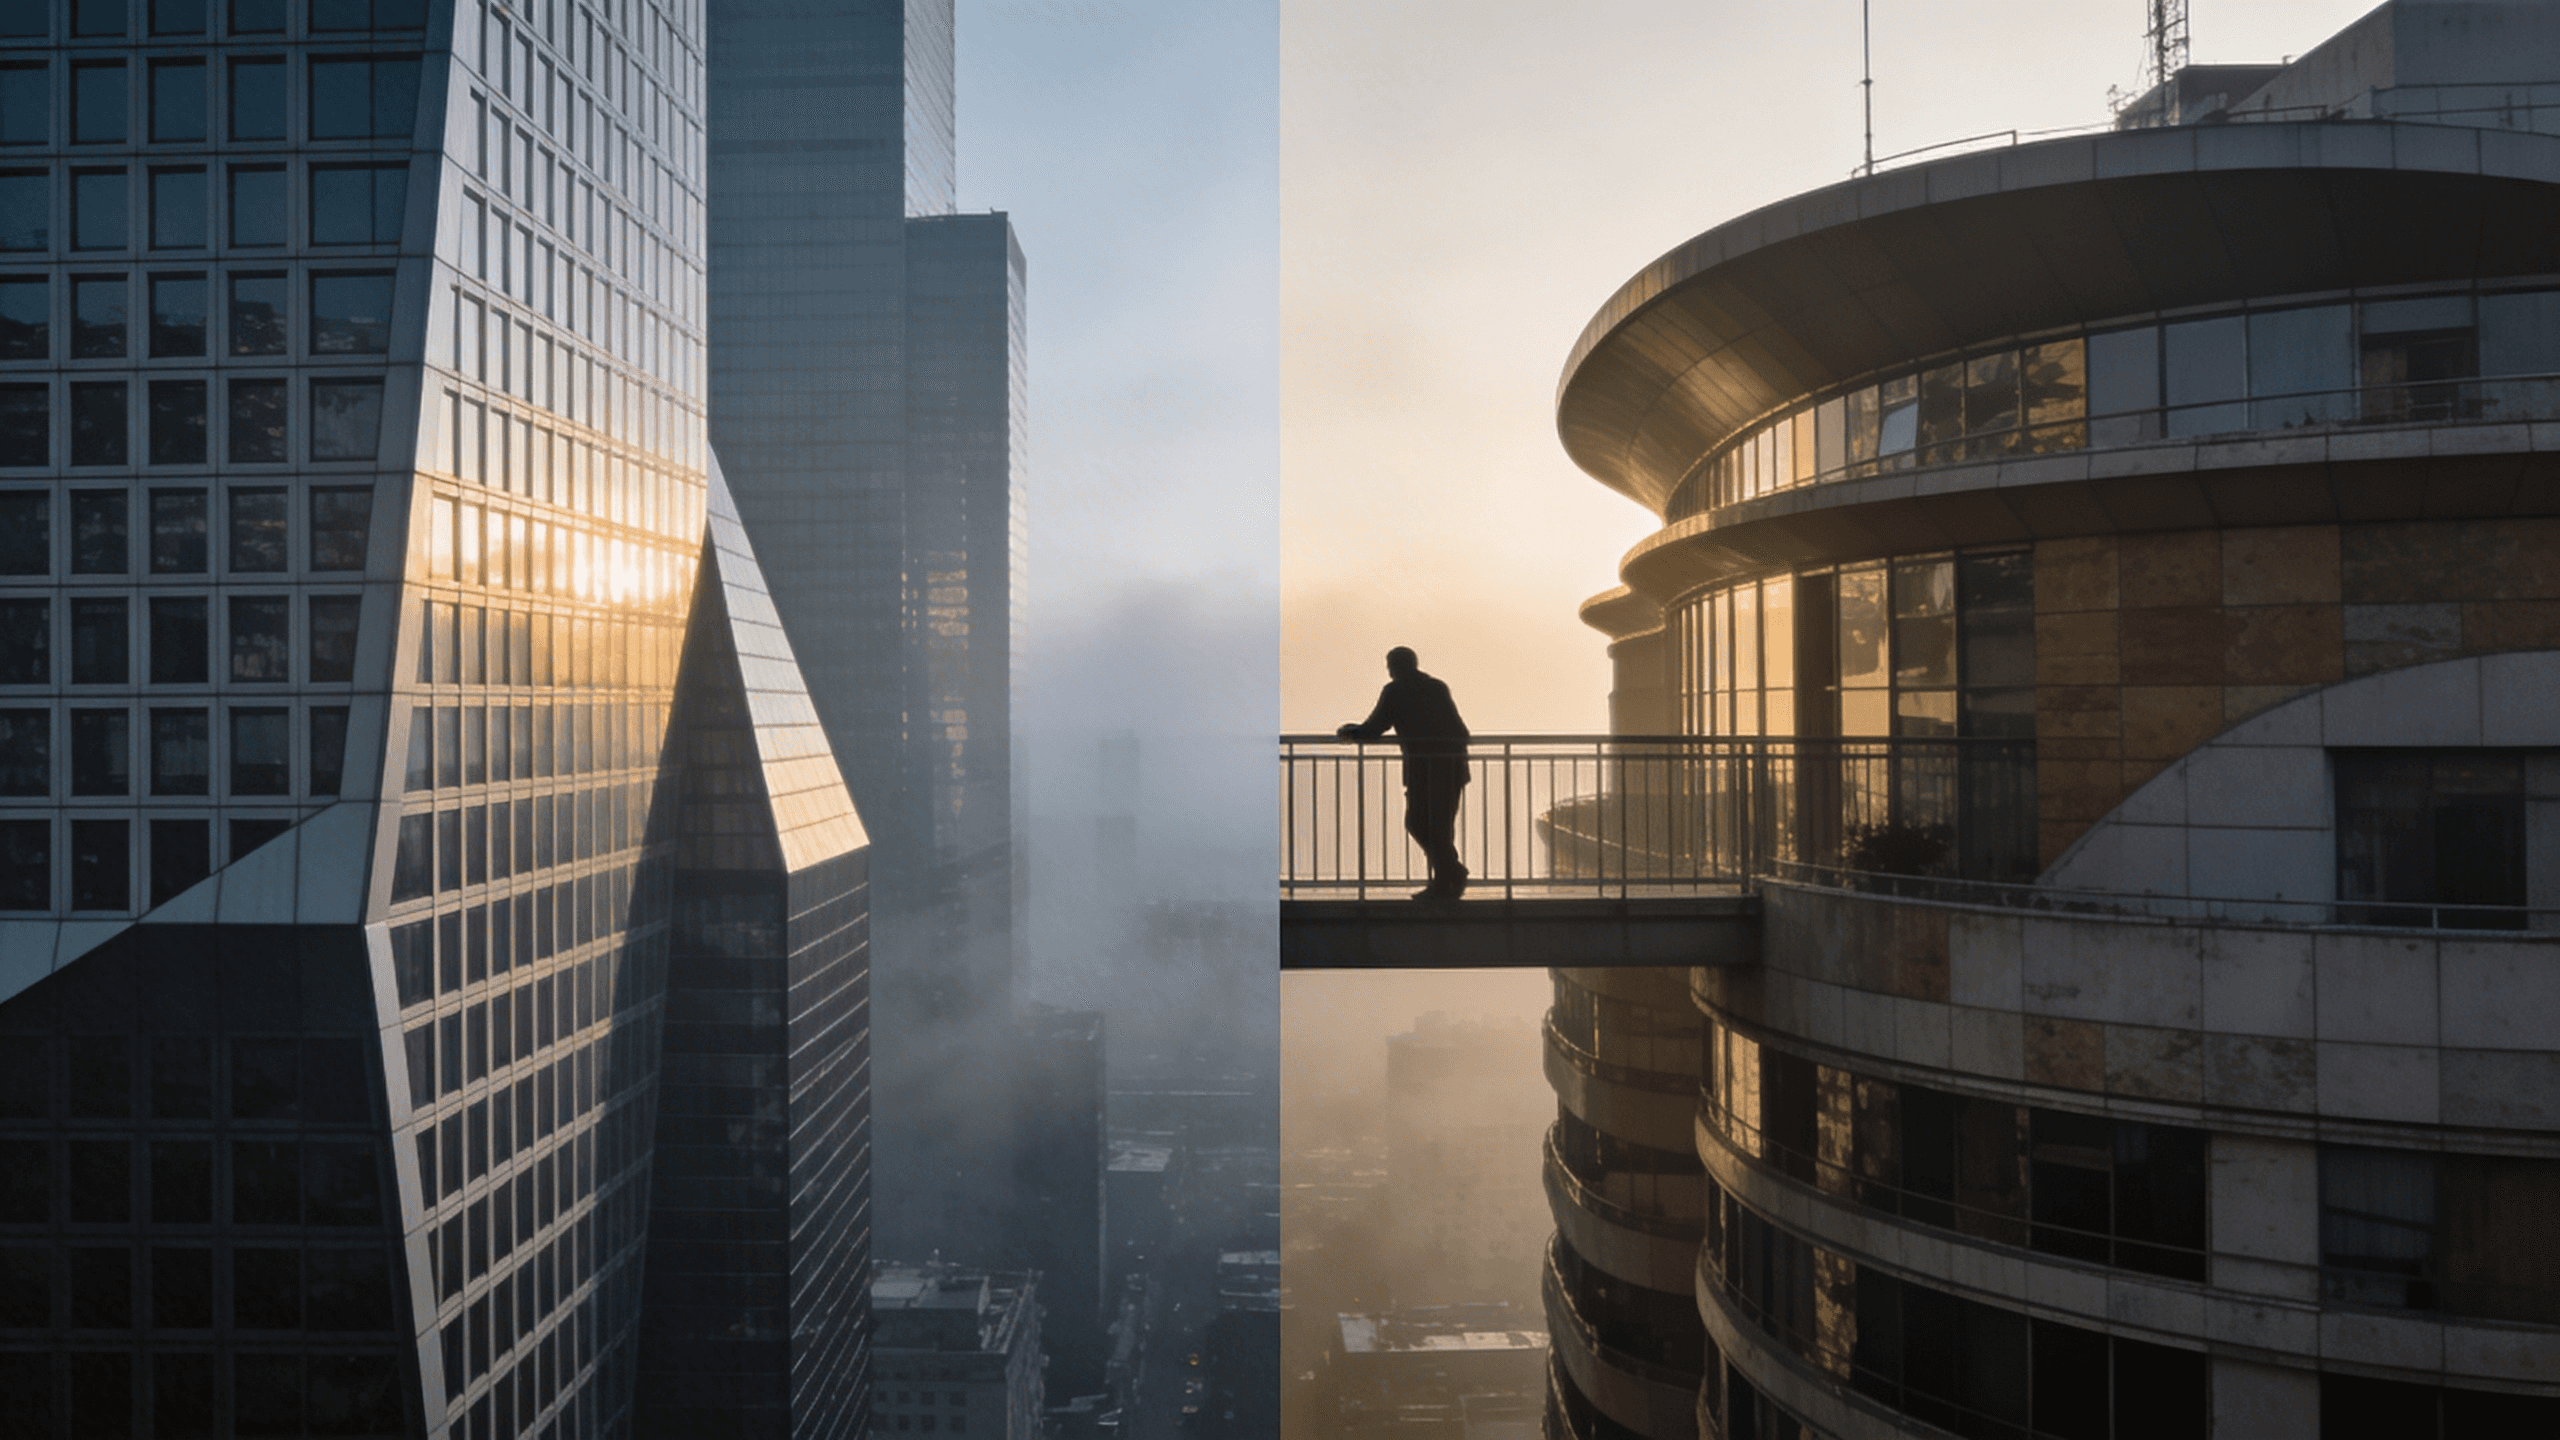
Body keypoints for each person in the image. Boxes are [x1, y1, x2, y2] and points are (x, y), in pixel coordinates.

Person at [1337, 647, 1471, 898]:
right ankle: (1447, 877)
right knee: (1440, 826)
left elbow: (1375, 727)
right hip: (1452, 767)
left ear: (1395, 667)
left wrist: (1351, 733)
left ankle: (1450, 875)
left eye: (1390, 666)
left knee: (1419, 823)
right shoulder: (1436, 687)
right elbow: (1460, 731)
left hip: (1424, 769)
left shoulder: (1396, 691)